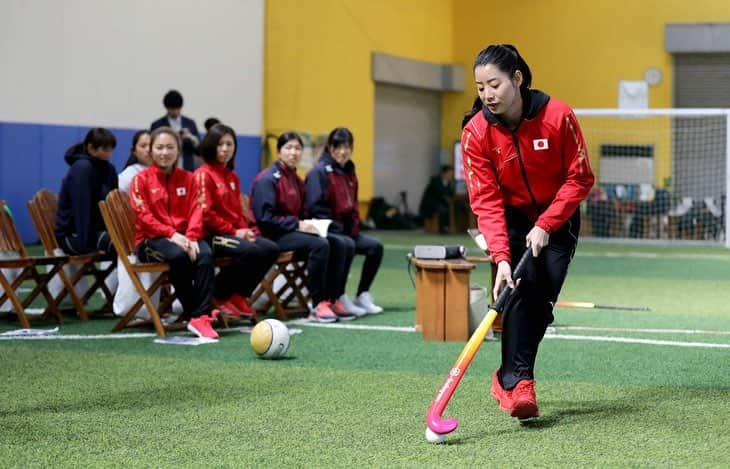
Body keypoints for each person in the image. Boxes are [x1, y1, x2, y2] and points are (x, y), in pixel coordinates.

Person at [460, 44, 594, 420]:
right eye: (481, 86)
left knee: (541, 302)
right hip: (513, 219)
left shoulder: (558, 116)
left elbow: (580, 177)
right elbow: (485, 199)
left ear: (517, 79)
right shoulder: (476, 133)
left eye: (495, 84)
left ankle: (507, 378)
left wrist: (547, 224)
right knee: (519, 289)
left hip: (559, 217)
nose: (488, 94)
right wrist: (501, 258)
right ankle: (519, 382)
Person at [249, 131, 356, 323]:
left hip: (291, 232)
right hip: (271, 236)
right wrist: (297, 224)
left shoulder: (296, 180)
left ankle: (334, 298)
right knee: (320, 245)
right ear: (279, 151)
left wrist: (311, 224)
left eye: (298, 148)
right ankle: (317, 304)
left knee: (341, 243)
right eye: (288, 148)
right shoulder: (268, 179)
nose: (293, 153)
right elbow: (265, 219)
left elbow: (303, 212)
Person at [129, 127, 218, 339]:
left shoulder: (189, 178)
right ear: (150, 151)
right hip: (151, 241)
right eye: (159, 147)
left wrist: (193, 235)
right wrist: (171, 234)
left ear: (178, 151)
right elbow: (144, 217)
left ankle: (202, 317)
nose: (164, 152)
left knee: (205, 255)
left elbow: (197, 208)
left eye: (170, 147)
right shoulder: (140, 180)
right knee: (178, 256)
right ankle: (195, 314)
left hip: (185, 236)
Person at [195, 124, 279, 318]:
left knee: (270, 249)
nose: (225, 149)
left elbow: (238, 213)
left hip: (232, 234)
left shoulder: (232, 177)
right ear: (210, 146)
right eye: (220, 144)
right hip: (211, 236)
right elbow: (205, 215)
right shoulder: (203, 174)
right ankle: (218, 295)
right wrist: (234, 232)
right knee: (248, 250)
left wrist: (244, 230)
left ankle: (239, 294)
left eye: (229, 144)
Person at [305, 127, 384, 315]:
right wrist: (336, 226)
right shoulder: (319, 172)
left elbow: (353, 204)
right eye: (338, 147)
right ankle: (337, 296)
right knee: (345, 244)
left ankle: (362, 294)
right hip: (328, 230)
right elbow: (314, 207)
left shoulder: (349, 170)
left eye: (347, 147)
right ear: (330, 148)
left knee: (375, 247)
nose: (342, 151)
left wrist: (354, 226)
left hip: (347, 230)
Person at [55, 127, 118, 256]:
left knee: (130, 243)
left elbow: (113, 204)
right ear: (91, 148)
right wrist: (86, 246)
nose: (109, 153)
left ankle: (109, 277)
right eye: (105, 149)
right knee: (121, 246)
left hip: (98, 232)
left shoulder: (109, 169)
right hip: (73, 235)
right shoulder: (82, 168)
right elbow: (81, 208)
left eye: (111, 149)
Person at [150, 90, 200, 171]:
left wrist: (190, 137)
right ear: (167, 108)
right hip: (164, 167)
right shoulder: (157, 125)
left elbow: (199, 149)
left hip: (186, 167)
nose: (175, 112)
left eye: (177, 109)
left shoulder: (190, 123)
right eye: (172, 109)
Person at [418, 165, 455, 233]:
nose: (451, 176)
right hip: (430, 204)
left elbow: (451, 193)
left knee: (452, 208)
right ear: (444, 173)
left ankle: (450, 227)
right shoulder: (435, 180)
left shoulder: (448, 183)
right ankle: (442, 229)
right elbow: (439, 193)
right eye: (450, 174)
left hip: (441, 203)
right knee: (442, 210)